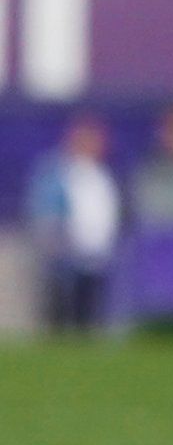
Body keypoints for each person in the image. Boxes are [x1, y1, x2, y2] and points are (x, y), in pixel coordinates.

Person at [24, 113, 121, 332]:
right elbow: (46, 211)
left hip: (95, 253)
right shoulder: (58, 171)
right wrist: (56, 242)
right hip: (65, 252)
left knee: (88, 310)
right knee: (61, 308)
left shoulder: (102, 174)